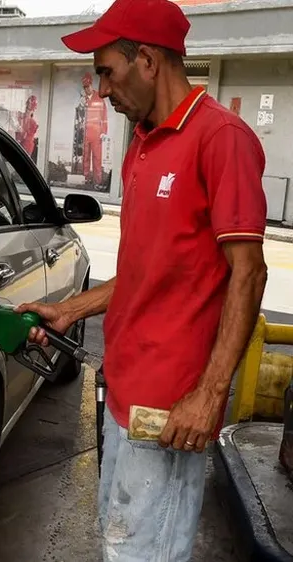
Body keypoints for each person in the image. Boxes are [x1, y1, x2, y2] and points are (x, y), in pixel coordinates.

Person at [16, 0, 269, 560]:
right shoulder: (143, 143)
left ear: (149, 61)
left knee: (140, 553)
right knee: (119, 541)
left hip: (170, 409)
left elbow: (249, 274)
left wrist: (210, 394)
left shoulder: (220, 138)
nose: (102, 90)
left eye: (107, 72)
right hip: (125, 394)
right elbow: (145, 271)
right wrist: (71, 310)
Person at [79, 73, 108, 186]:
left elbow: (104, 116)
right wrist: (81, 104)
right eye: (85, 87)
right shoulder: (83, 99)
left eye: (88, 86)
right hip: (85, 133)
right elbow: (80, 116)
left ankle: (98, 181)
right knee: (85, 157)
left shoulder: (99, 98)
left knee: (97, 157)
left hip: (96, 133)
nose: (87, 89)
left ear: (91, 85)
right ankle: (85, 179)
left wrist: (104, 132)